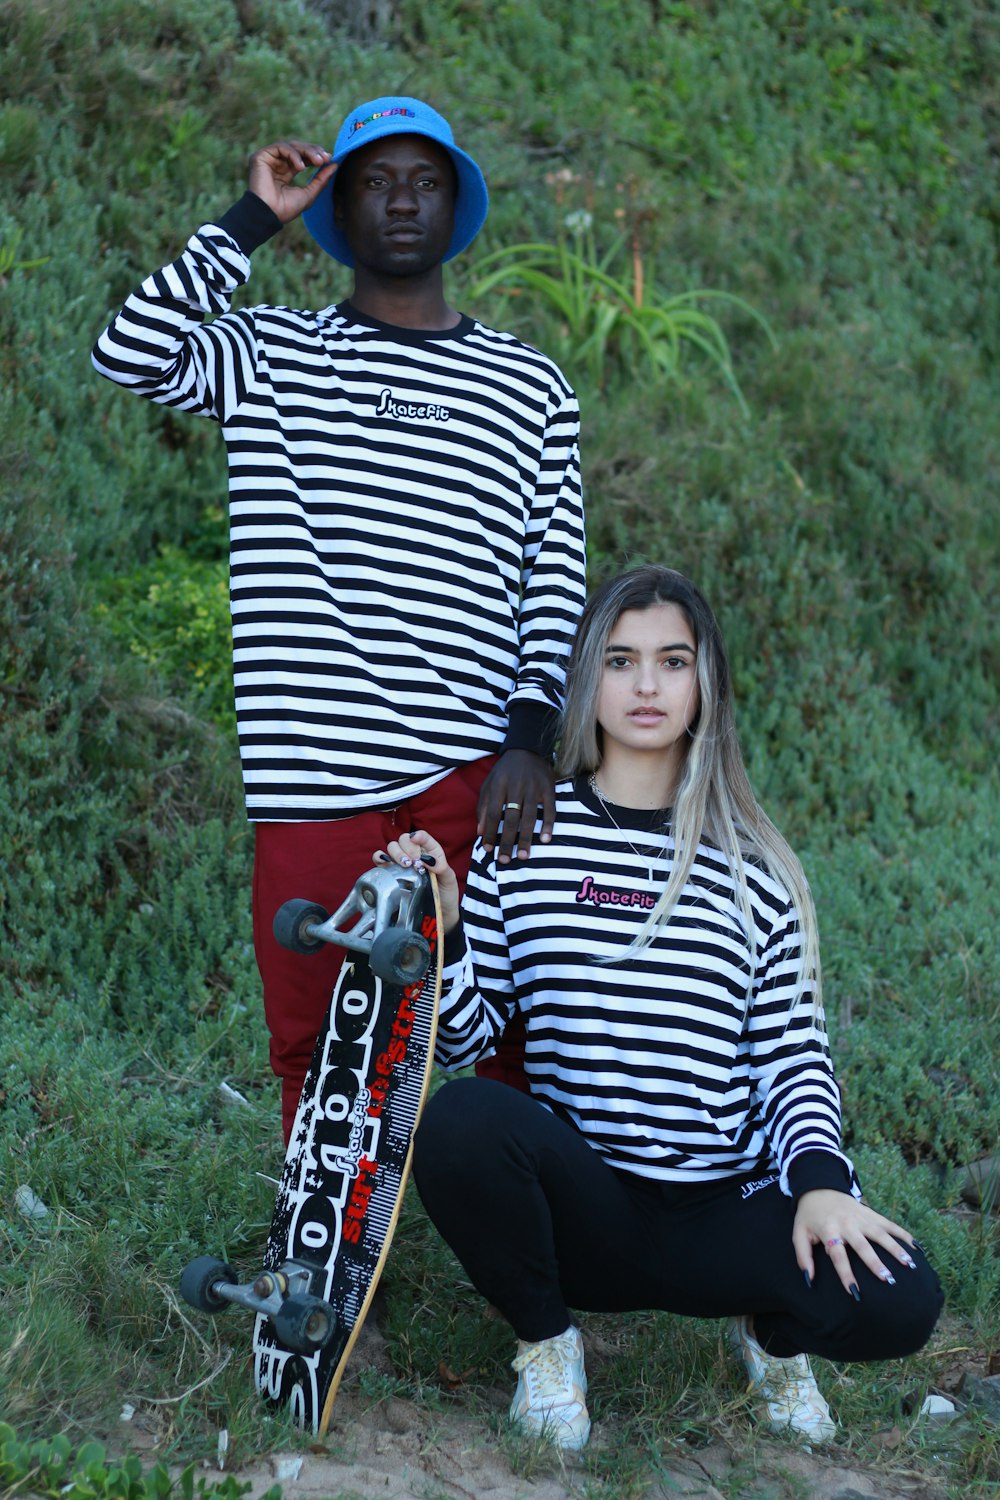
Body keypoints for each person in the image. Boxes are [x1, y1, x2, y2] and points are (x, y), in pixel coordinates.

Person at [91, 96, 586, 1139]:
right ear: (339, 209)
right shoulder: (269, 358)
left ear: (456, 206)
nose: (401, 200)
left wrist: (530, 740)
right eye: (373, 180)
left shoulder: (528, 386)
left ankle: (520, 1253)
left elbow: (553, 581)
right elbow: (127, 351)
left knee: (514, 1035)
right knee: (316, 1040)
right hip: (313, 772)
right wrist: (252, 215)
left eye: (425, 180)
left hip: (473, 776)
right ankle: (329, 1277)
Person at [376, 565, 943, 1451]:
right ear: (587, 680)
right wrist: (444, 935)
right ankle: (549, 1344)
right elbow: (472, 1038)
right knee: (463, 1121)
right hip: (589, 1212)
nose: (646, 686)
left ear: (702, 682)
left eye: (672, 662)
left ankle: (770, 1334)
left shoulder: (757, 865)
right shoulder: (528, 834)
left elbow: (791, 1056)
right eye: (621, 660)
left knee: (903, 1300)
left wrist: (824, 1186)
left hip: (725, 1210)